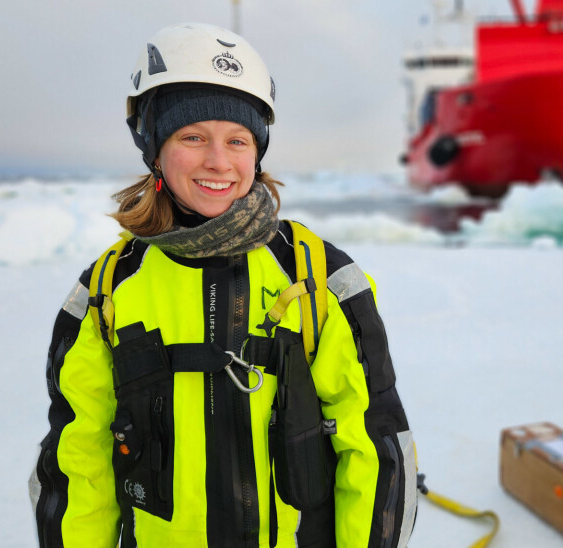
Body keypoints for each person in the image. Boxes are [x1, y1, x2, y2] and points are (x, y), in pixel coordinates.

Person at [31, 23, 416, 548]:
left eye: (238, 140)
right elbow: (78, 467)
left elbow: (373, 448)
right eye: (193, 137)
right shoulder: (107, 292)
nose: (218, 161)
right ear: (153, 147)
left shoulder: (318, 278)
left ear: (257, 153)